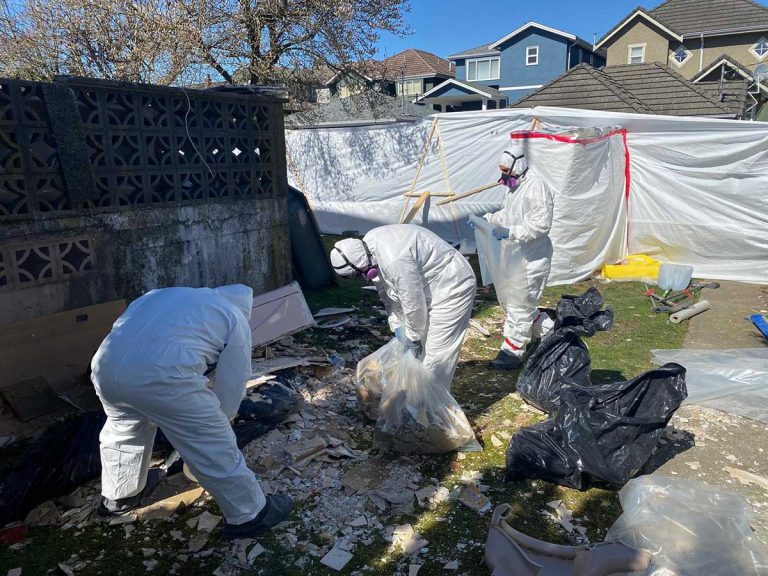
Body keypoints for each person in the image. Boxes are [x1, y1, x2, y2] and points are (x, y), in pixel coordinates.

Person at [90, 285, 292, 539]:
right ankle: (250, 515)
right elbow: (233, 380)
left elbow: (130, 331)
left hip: (106, 368)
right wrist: (222, 418)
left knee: (123, 430)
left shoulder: (162, 296)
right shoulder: (234, 317)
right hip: (164, 376)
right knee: (212, 443)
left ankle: (119, 498)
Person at [330, 224, 476, 388]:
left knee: (437, 352)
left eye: (357, 273)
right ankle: (418, 396)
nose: (361, 277)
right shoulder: (369, 250)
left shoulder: (394, 260)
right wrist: (397, 324)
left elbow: (412, 302)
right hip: (428, 285)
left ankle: (431, 407)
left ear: (359, 262)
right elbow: (387, 294)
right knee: (423, 344)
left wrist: (413, 337)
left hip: (452, 284)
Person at [481, 144, 555, 369]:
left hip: (533, 258)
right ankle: (549, 332)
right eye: (502, 171)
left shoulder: (537, 187)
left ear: (519, 166)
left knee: (519, 304)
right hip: (515, 256)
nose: (504, 176)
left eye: (507, 171)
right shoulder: (514, 187)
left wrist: (511, 232)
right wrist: (489, 218)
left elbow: (541, 225)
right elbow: (509, 213)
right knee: (519, 303)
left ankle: (513, 350)